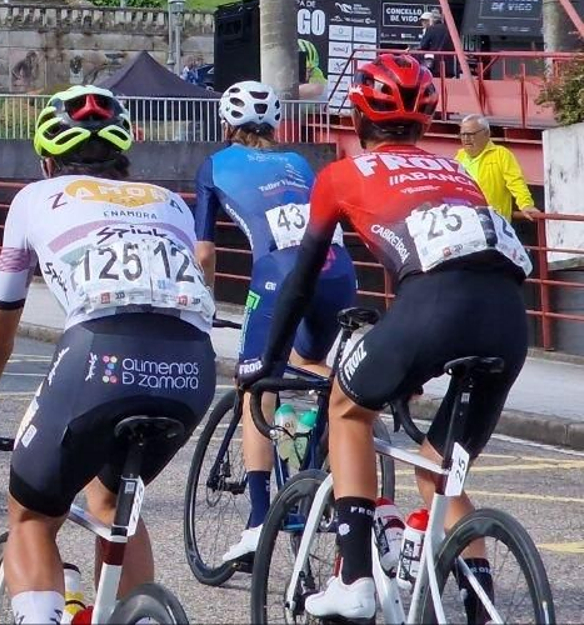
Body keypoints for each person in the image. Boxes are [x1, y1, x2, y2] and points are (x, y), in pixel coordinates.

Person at [237, 53, 531, 619]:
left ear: (361, 118)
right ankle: (479, 607)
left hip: (432, 311)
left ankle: (353, 580)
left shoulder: (342, 174)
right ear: (423, 124)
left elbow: (301, 281)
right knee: (438, 471)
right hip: (506, 322)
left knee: (349, 408)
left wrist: (266, 362)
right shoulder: (457, 172)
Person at [0, 86, 217, 625]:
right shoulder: (172, 203)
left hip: (99, 359)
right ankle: (139, 615)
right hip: (192, 366)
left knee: (33, 515)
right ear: (125, 156)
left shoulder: (34, 199)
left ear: (46, 162)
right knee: (115, 507)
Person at [193, 81, 358, 562]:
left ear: (227, 125)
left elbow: (205, 251)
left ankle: (259, 519)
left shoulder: (216, 164)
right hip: (338, 271)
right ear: (275, 126)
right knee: (312, 364)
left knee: (256, 384)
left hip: (280, 274)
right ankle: (334, 452)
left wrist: (205, 300)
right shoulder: (301, 162)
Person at [456, 114, 538, 222]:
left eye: (471, 134)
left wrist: (526, 205)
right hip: (467, 223)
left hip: (495, 224)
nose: (466, 139)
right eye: (463, 134)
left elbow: (516, 182)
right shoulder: (459, 157)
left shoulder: (501, 155)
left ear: (486, 134)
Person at [415, 9, 461, 77]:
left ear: (432, 20)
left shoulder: (431, 29)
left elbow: (423, 46)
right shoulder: (450, 29)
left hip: (435, 65)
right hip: (450, 65)